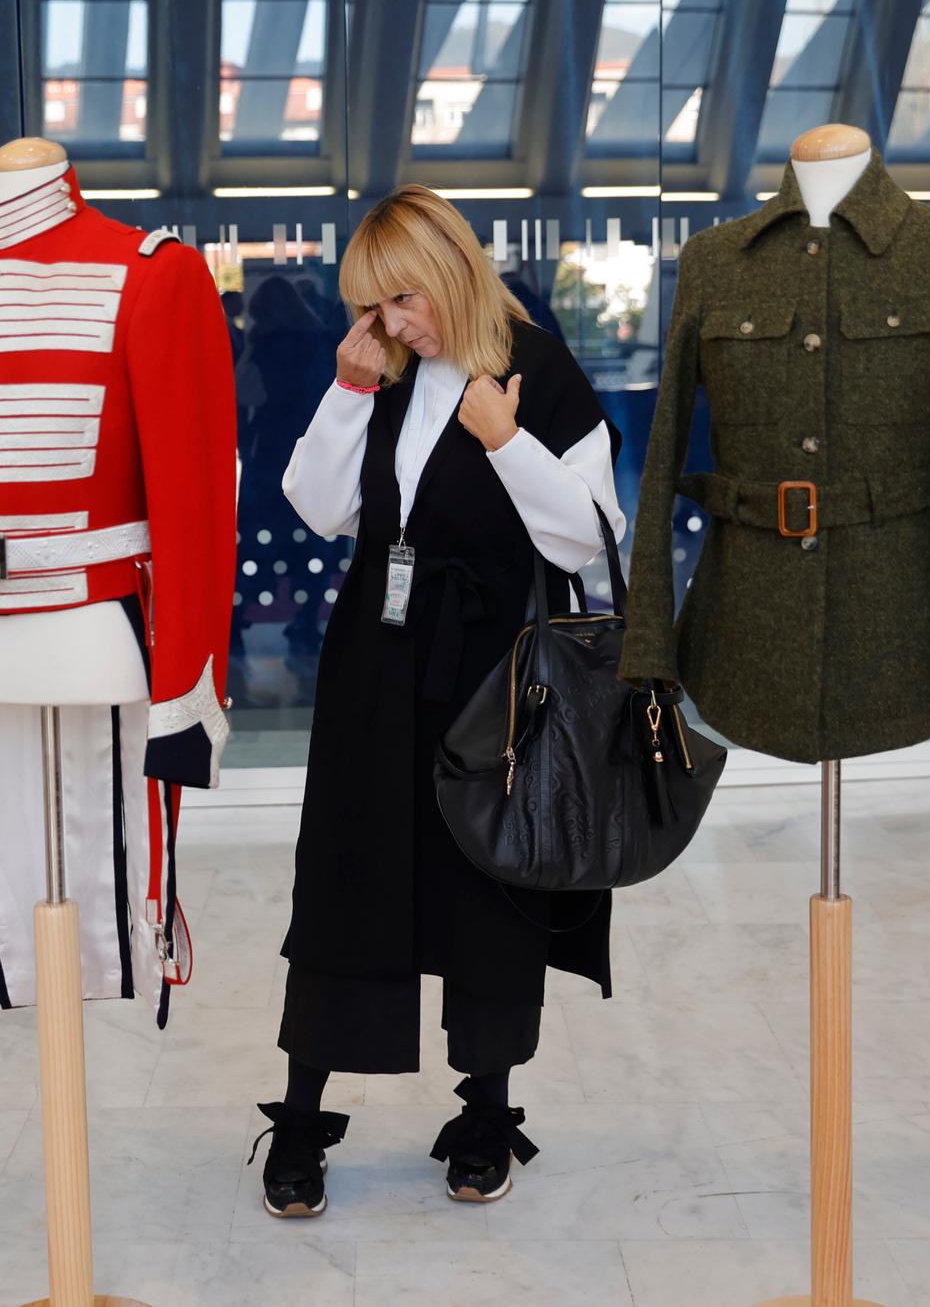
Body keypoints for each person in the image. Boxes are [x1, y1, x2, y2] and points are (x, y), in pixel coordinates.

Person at [250, 185, 626, 1217]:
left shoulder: (538, 372)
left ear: (453, 272)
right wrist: (345, 390)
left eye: (400, 301)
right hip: (371, 663)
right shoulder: (384, 369)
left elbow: (588, 536)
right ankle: (299, 1113)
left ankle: (483, 1112)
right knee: (345, 875)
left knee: (486, 886)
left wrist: (507, 443)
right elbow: (320, 509)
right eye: (370, 307)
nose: (389, 325)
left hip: (491, 671)